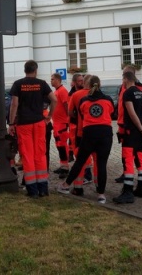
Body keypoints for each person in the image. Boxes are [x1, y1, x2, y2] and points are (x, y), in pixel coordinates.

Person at [58, 75, 113, 204]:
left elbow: (79, 114)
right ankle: (101, 194)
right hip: (105, 133)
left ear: (87, 85)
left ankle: (66, 185)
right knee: (101, 164)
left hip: (88, 133)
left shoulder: (83, 100)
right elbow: (110, 112)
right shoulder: (108, 100)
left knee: (80, 161)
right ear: (99, 85)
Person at [8, 60, 57, 198]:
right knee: (40, 154)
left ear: (25, 70)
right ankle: (43, 188)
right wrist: (49, 117)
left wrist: (11, 124)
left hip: (24, 124)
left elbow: (14, 104)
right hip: (39, 122)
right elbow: (54, 100)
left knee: (27, 156)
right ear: (35, 70)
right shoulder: (41, 84)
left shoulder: (18, 84)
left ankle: (32, 190)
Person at [113, 71, 142, 204]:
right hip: (141, 131)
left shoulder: (127, 93)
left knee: (128, 158)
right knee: (140, 157)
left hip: (131, 131)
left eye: (123, 79)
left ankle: (128, 191)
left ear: (125, 79)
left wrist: (140, 129)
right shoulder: (141, 94)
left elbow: (132, 113)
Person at [115, 64, 142, 183]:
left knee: (133, 151)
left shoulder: (136, 88)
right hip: (122, 122)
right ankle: (126, 172)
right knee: (125, 150)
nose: (123, 77)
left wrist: (141, 128)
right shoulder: (123, 87)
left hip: (130, 124)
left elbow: (135, 110)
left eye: (124, 74)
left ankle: (136, 176)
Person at [50, 72, 70, 178]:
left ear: (58, 80)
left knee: (62, 145)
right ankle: (62, 165)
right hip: (57, 123)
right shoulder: (57, 91)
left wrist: (68, 119)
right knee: (58, 145)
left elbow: (67, 106)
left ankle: (65, 168)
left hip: (62, 123)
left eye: (52, 79)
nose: (51, 81)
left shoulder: (62, 91)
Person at [67, 73, 84, 162]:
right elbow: (70, 110)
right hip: (74, 123)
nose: (82, 82)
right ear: (74, 82)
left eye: (82, 80)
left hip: (84, 123)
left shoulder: (85, 92)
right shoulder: (71, 94)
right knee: (74, 142)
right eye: (79, 80)